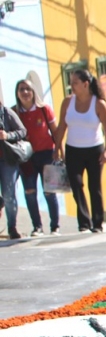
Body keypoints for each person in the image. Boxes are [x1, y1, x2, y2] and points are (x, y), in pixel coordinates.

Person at [53, 70, 106, 233]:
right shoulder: (67, 102)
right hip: (73, 150)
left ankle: (97, 223)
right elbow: (61, 126)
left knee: (95, 186)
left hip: (94, 150)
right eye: (71, 82)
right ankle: (84, 223)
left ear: (86, 84)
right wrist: (57, 147)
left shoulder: (99, 104)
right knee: (76, 184)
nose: (71, 86)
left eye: (75, 82)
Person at [13, 79, 60, 236]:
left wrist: (59, 151)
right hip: (26, 157)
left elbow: (55, 131)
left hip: (47, 154)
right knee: (30, 192)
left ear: (33, 92)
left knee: (49, 192)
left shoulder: (44, 109)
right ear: (17, 93)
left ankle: (55, 227)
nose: (25, 92)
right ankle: (37, 227)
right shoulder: (14, 112)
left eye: (28, 89)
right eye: (21, 89)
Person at [0, 100, 27, 239]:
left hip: (7, 160)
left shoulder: (7, 113)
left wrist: (7, 135)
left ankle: (12, 227)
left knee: (8, 195)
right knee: (5, 196)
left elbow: (22, 131)